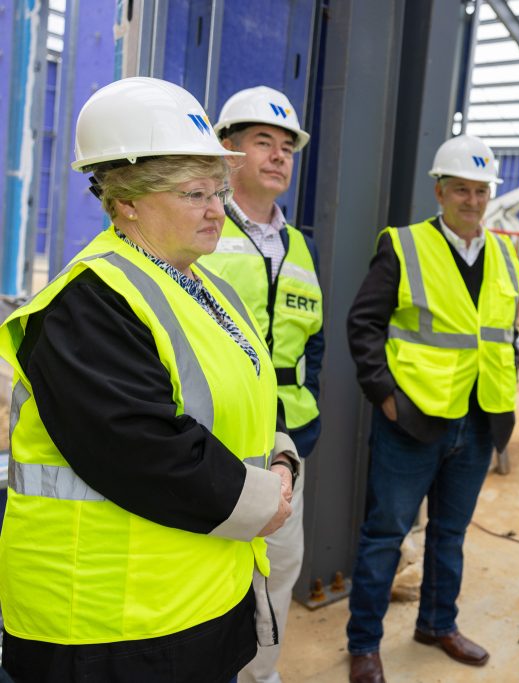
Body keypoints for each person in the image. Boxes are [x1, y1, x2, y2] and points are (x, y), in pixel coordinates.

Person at [0, 77, 298, 682]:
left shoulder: (206, 287)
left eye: (217, 190)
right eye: (195, 194)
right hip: (110, 624)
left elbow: (258, 390)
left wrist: (285, 459)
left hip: (200, 596)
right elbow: (141, 448)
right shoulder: (85, 305)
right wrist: (269, 498)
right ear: (127, 200)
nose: (218, 209)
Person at [345, 134, 519, 683]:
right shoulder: (403, 246)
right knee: (385, 534)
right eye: (461, 189)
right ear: (440, 191)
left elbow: (499, 337)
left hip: (477, 422)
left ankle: (437, 624)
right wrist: (385, 396)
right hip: (413, 420)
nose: (472, 200)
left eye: (481, 190)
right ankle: (364, 645)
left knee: (450, 535)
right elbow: (364, 323)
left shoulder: (506, 255)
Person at [200, 85, 324, 683]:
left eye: (286, 147)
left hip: (286, 444)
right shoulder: (199, 230)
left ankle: (261, 672)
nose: (278, 156)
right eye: (262, 142)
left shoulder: (302, 246)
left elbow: (312, 342)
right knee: (204, 567)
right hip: (212, 438)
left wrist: (308, 416)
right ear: (227, 152)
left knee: (279, 568)